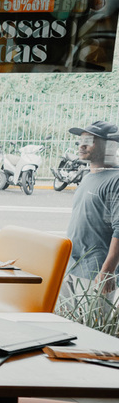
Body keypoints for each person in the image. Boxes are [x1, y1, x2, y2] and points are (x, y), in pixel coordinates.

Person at [66, 120, 119, 297]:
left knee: (88, 325)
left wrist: (107, 271)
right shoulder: (89, 175)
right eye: (81, 141)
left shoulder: (116, 180)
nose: (81, 146)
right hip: (72, 267)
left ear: (110, 146)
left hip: (95, 273)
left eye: (89, 141)